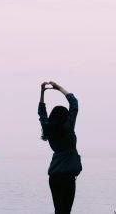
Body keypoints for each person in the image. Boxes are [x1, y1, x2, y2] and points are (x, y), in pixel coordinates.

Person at [38, 81, 82, 214]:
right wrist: (59, 88)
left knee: (58, 210)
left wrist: (42, 92)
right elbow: (74, 103)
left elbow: (42, 114)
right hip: (68, 177)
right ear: (65, 117)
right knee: (66, 211)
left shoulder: (48, 129)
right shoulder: (68, 128)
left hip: (54, 177)